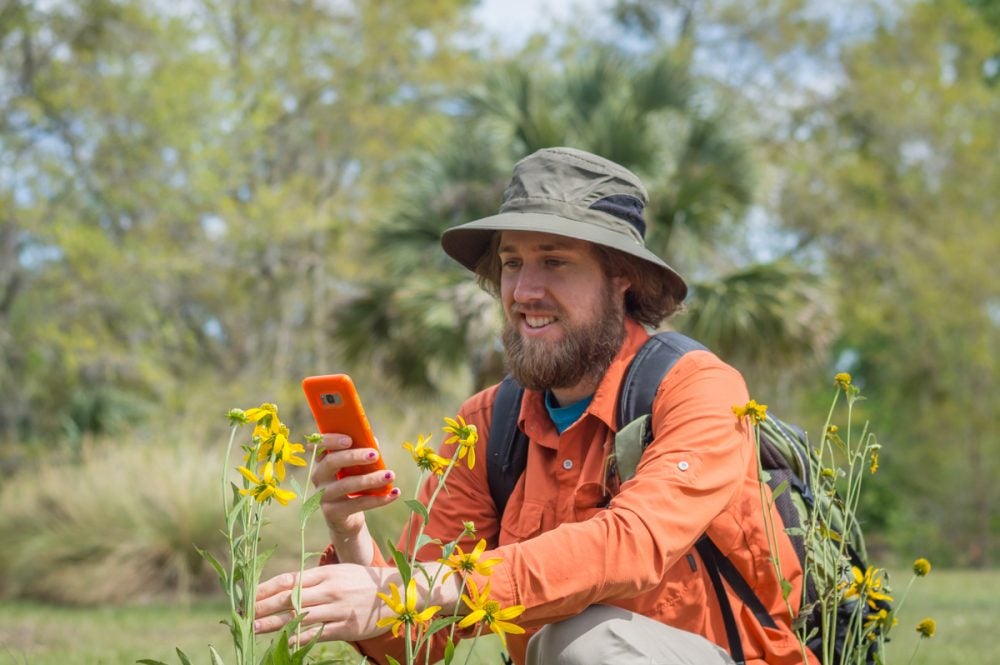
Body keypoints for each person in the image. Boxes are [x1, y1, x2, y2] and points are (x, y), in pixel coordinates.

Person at [253, 147, 814, 665]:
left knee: (583, 639)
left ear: (622, 276)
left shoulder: (696, 388)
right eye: (513, 263)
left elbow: (632, 545)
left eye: (555, 261)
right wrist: (353, 538)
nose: (523, 291)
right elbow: (419, 644)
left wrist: (412, 587)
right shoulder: (489, 423)